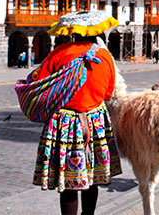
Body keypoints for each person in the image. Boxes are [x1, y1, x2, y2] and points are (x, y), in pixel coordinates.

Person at [26, 34, 122, 215]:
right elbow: (109, 93)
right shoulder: (105, 56)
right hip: (95, 123)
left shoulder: (59, 52)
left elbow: (40, 83)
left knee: (70, 181)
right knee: (92, 176)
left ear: (73, 33)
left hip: (65, 123)